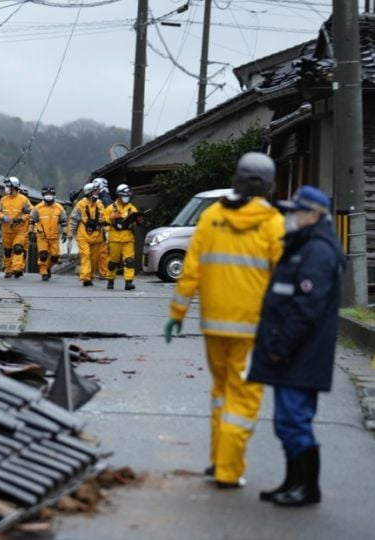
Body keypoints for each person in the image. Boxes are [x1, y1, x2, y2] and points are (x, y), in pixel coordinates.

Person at [164, 151, 285, 489]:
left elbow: (190, 271)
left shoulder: (213, 216)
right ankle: (228, 471)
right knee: (242, 399)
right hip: (253, 328)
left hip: (214, 325)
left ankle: (218, 459)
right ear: (269, 186)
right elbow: (283, 278)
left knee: (220, 392)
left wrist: (177, 314)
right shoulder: (273, 222)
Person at [247, 185, 344, 507]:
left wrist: (281, 346)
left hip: (300, 352)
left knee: (294, 420)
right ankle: (292, 482)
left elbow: (307, 307)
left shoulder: (318, 251)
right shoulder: (304, 243)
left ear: (313, 215)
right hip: (292, 351)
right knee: (286, 421)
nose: (288, 216)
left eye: (294, 211)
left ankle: (307, 488)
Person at [102, 184, 142, 290]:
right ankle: (110, 280)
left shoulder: (132, 209)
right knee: (112, 262)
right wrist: (111, 218)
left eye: (128, 196)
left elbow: (136, 223)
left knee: (129, 261)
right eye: (124, 196)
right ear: (119, 196)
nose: (126, 198)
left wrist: (139, 221)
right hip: (114, 239)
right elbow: (102, 221)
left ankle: (128, 282)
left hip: (128, 239)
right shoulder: (111, 208)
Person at [69, 182, 105, 286]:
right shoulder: (81, 204)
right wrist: (70, 232)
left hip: (97, 235)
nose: (97, 192)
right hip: (83, 235)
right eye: (95, 191)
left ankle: (90, 275)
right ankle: (85, 278)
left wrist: (105, 228)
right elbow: (74, 219)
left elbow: (104, 218)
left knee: (94, 258)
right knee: (86, 255)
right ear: (89, 193)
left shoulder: (100, 204)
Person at [0, 177, 32, 278]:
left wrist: (21, 219)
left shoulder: (23, 200)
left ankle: (17, 267)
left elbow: (30, 212)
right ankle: (8, 269)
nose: (6, 188)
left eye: (8, 186)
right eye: (6, 186)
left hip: (19, 230)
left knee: (18, 248)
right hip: (6, 230)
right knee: (7, 251)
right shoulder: (3, 200)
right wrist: (3, 217)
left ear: (14, 187)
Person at [30, 186, 68, 281]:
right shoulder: (38, 208)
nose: (48, 196)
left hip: (54, 236)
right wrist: (31, 232)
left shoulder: (59, 208)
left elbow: (63, 221)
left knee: (55, 257)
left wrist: (64, 233)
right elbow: (32, 221)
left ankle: (47, 267)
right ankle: (43, 272)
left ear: (54, 195)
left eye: (50, 194)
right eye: (46, 194)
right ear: (43, 195)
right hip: (42, 236)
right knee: (43, 255)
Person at [93, 177, 113, 279]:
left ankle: (105, 272)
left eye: (95, 188)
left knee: (104, 252)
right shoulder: (106, 197)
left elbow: (106, 215)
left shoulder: (104, 199)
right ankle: (104, 272)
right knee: (103, 252)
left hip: (105, 229)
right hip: (105, 228)